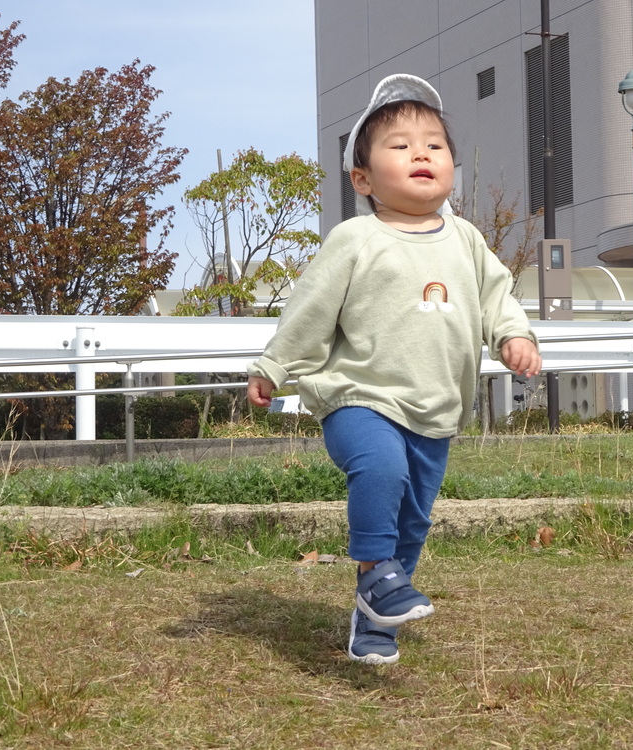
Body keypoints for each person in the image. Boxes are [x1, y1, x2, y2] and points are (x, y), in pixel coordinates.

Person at [247, 73, 541, 665]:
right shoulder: (356, 239)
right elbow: (310, 308)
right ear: (363, 178)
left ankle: (375, 615)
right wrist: (275, 366)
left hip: (436, 410)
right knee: (380, 470)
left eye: (434, 144)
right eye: (400, 146)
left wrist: (514, 335)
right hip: (360, 397)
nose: (421, 154)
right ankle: (377, 573)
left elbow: (497, 298)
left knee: (413, 519)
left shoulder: (466, 240)